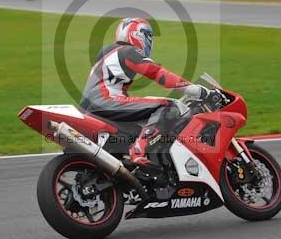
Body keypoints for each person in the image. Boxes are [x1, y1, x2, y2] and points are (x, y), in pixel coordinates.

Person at [80, 17, 210, 165]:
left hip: (90, 106)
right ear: (136, 34)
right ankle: (138, 151)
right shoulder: (128, 51)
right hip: (105, 102)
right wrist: (196, 90)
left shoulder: (109, 51)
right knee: (167, 106)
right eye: (148, 35)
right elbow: (158, 74)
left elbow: (115, 87)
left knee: (139, 127)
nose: (150, 40)